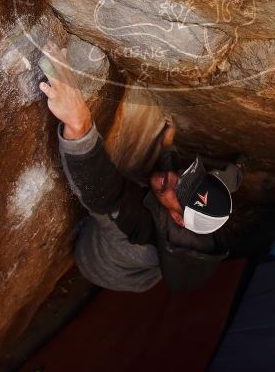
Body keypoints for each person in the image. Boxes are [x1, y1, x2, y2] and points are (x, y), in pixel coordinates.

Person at [38, 42, 243, 292]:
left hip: (101, 265)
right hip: (148, 247)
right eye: (187, 176)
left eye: (181, 191)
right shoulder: (205, 207)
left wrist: (79, 123)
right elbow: (215, 180)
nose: (174, 176)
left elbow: (101, 190)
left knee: (116, 208)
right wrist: (168, 146)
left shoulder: (134, 234)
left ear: (178, 219)